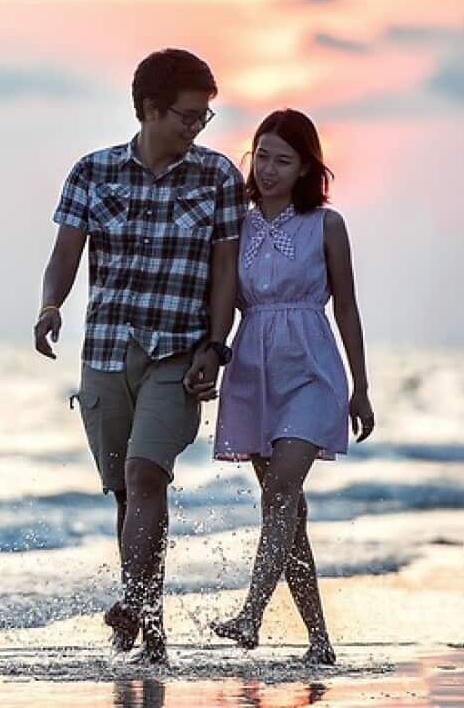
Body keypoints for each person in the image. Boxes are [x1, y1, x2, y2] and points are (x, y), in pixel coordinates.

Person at [34, 48, 247, 665]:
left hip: (178, 353)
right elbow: (65, 255)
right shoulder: (92, 172)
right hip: (106, 351)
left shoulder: (217, 177)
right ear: (150, 110)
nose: (197, 127)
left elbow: (225, 272)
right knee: (127, 494)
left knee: (147, 474)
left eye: (204, 116)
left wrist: (216, 346)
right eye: (188, 115)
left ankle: (133, 606)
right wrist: (50, 306)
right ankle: (149, 633)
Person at [210, 108, 375, 665]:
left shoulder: (327, 225)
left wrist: (361, 386)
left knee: (280, 493)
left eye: (283, 160)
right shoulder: (236, 223)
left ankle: (250, 615)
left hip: (311, 369)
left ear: (306, 167)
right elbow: (219, 298)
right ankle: (320, 642)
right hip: (252, 371)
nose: (269, 169)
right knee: (287, 513)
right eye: (262, 156)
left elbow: (346, 306)